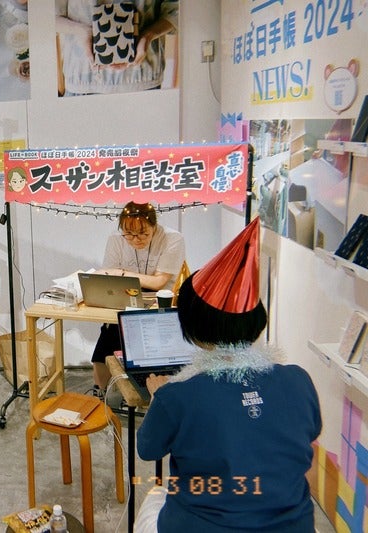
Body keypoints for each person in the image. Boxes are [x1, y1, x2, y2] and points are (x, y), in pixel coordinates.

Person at [134, 218, 322, 532]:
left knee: (154, 495)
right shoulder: (298, 380)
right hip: (293, 526)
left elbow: (148, 449)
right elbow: (306, 431)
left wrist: (157, 398)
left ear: (192, 326)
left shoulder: (175, 396)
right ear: (256, 322)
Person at [90, 201, 185, 397]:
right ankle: (100, 392)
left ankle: (152, 392)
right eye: (129, 234)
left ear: (154, 226)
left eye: (143, 233)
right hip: (125, 299)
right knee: (108, 336)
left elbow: (159, 282)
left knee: (149, 347)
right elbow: (108, 275)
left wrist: (122, 273)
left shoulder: (172, 238)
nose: (136, 239)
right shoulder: (116, 238)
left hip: (160, 304)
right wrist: (116, 275)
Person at [55, 0, 179, 95]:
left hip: (142, 80)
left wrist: (148, 35)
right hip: (83, 80)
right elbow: (48, 15)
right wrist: (80, 31)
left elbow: (178, 9)